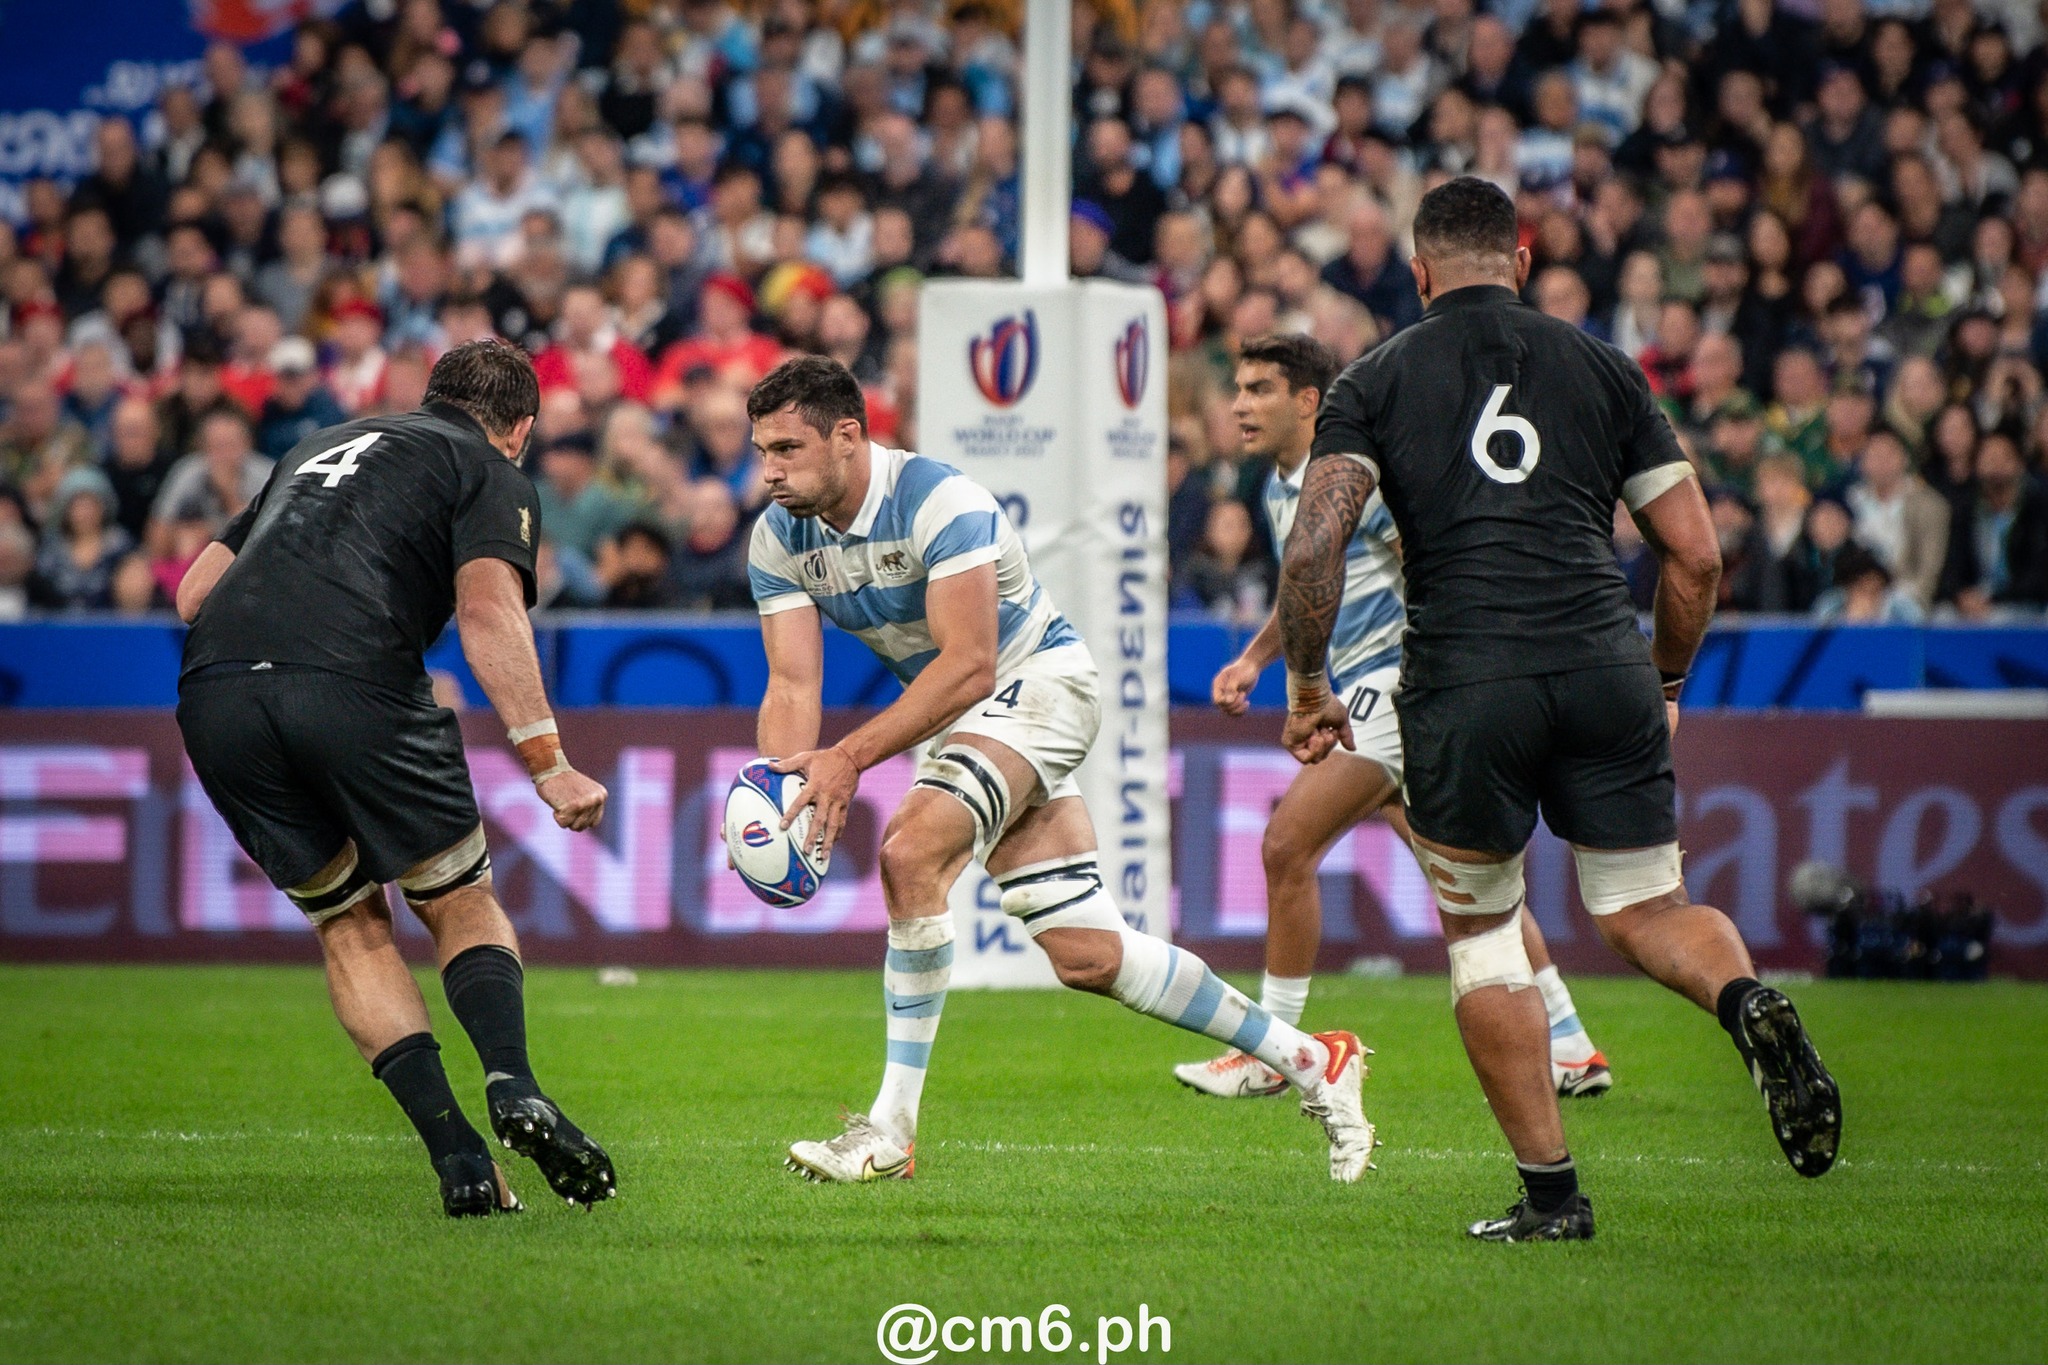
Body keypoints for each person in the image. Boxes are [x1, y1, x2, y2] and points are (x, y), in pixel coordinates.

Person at [1276, 178, 1840, 1243]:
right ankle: (1741, 1001)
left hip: (1461, 682)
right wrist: (1664, 682)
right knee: (1642, 909)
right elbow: (1695, 554)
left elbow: (1312, 546)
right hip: (1600, 661)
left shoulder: (1373, 379)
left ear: (1416, 271)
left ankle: (1550, 1199)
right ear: (1522, 261)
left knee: (1484, 935)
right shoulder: (1605, 369)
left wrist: (1307, 689)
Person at [744, 355, 1374, 1184]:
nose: (770, 470)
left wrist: (850, 758)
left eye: (787, 448)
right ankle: (1311, 1057)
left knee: (909, 851)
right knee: (1087, 953)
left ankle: (891, 1127)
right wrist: (779, 791)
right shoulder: (777, 536)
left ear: (850, 436)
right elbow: (792, 683)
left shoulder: (939, 501)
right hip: (973, 722)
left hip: (1038, 685)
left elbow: (970, 665)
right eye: (763, 451)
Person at [172, 339, 617, 1218]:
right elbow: (490, 610)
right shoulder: (486, 467)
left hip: (215, 692)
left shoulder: (313, 448)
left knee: (346, 923)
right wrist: (548, 762)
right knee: (455, 896)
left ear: (430, 393)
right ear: (520, 428)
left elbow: (192, 594)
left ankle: (455, 1153)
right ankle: (513, 1081)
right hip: (351, 679)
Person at [1176, 334, 1612, 1101]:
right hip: (1392, 689)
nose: (1240, 403)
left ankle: (1275, 1050)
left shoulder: (1356, 479)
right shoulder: (1281, 488)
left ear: (1308, 401)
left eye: (1260, 389)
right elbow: (1310, 584)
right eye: (1238, 388)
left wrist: (1439, 665)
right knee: (1466, 879)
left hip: (1402, 683)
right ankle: (1571, 1043)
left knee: (1286, 844)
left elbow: (1434, 558)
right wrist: (1254, 658)